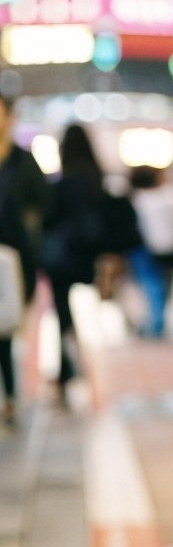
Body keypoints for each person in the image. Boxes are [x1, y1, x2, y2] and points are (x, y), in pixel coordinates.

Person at [42, 123, 138, 396]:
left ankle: (67, 370)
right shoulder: (99, 178)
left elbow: (51, 218)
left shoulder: (64, 182)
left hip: (64, 258)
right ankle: (96, 364)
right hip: (93, 255)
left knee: (64, 315)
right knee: (99, 310)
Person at [0, 95, 49, 423]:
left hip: (15, 261)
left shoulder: (24, 162)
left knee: (4, 328)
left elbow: (43, 205)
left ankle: (12, 396)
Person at [126, 165, 173, 337]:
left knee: (151, 286)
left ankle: (155, 322)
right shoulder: (171, 196)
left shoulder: (135, 199)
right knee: (162, 286)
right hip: (168, 248)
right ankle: (158, 322)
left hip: (144, 249)